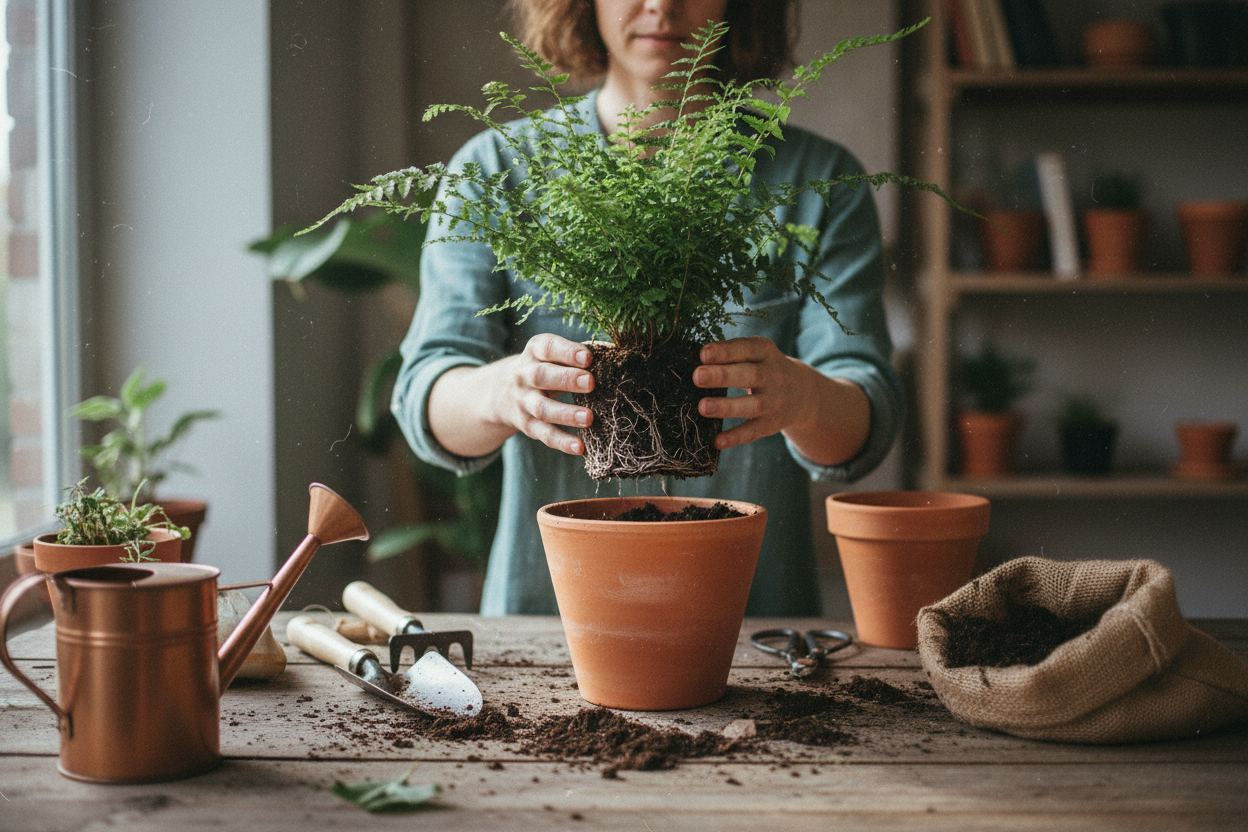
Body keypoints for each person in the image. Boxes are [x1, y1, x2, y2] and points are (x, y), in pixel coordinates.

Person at [391, 0, 904, 616]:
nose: (661, 4)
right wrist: (504, 392)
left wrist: (804, 396)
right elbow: (427, 392)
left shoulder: (817, 179)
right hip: (549, 626)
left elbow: (865, 412)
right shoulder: (497, 169)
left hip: (751, 626)